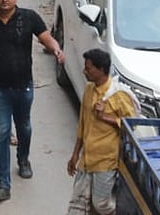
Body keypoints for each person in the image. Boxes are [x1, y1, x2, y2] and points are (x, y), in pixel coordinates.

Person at [0, 0, 65, 199]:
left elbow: (45, 37)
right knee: (1, 133)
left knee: (24, 127)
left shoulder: (29, 17)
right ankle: (4, 184)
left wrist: (56, 50)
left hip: (23, 86)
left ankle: (23, 158)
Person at [67, 48, 139, 215]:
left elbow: (131, 125)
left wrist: (106, 117)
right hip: (87, 159)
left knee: (101, 204)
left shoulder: (118, 95)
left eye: (89, 68)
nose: (85, 71)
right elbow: (82, 124)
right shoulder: (89, 90)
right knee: (80, 201)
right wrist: (75, 154)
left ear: (101, 70)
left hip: (105, 162)